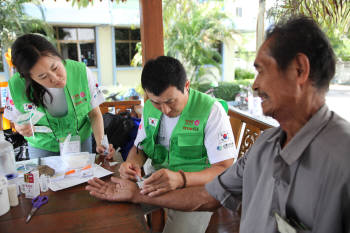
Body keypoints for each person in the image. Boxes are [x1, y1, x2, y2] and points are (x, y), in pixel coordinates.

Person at [87, 16, 350, 233]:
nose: (254, 85)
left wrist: (178, 179)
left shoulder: (343, 160)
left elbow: (214, 179)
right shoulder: (265, 147)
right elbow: (209, 196)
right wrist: (135, 193)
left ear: (299, 70)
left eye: (262, 70)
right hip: (155, 183)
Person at [118, 56, 237, 233]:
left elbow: (224, 169)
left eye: (170, 101)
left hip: (195, 189)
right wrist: (132, 164)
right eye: (157, 102)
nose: (165, 110)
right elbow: (140, 148)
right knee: (115, 212)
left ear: (186, 86)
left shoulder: (210, 111)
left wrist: (181, 179)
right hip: (154, 181)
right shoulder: (149, 107)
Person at [4, 33, 114, 158]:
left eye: (55, 67)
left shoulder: (81, 72)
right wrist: (21, 128)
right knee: (44, 176)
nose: (55, 78)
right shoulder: (16, 86)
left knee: (83, 176)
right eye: (43, 77)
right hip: (42, 146)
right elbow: (17, 122)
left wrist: (100, 143)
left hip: (79, 141)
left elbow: (94, 114)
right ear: (29, 77)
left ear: (58, 56)